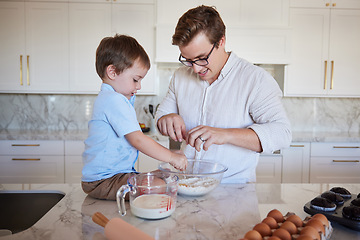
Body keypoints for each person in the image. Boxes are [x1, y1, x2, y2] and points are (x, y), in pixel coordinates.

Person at [155, 6, 292, 183]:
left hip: (234, 189)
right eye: (188, 60)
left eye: (202, 57)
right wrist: (166, 119)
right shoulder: (180, 76)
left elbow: (282, 133)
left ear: (221, 42)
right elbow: (161, 116)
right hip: (186, 185)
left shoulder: (255, 79)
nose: (196, 68)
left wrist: (225, 134)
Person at [82, 34, 187, 200]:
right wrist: (172, 157)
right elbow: (137, 140)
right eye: (135, 79)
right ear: (112, 72)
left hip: (114, 176)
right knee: (162, 184)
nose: (139, 86)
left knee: (162, 176)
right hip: (103, 181)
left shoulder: (113, 98)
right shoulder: (113, 100)